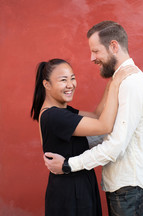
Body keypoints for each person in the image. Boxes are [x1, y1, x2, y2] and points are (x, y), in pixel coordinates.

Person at [43, 21, 143, 216]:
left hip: (131, 187)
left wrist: (68, 165)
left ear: (114, 46)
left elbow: (115, 145)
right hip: (123, 187)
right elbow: (107, 130)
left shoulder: (131, 83)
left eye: (95, 51)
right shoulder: (119, 81)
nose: (92, 58)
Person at [31, 58, 137, 216]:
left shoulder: (61, 112)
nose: (70, 85)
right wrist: (116, 85)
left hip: (78, 187)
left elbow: (97, 116)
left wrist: (111, 82)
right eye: (63, 80)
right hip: (70, 194)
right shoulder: (54, 116)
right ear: (46, 84)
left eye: (72, 78)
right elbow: (104, 125)